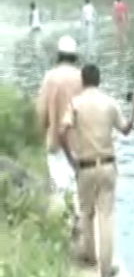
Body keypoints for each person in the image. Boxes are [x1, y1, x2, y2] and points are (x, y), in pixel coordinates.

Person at [59, 64, 134, 277]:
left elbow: (62, 131)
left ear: (83, 81)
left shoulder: (75, 104)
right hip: (107, 165)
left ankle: (90, 258)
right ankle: (106, 271)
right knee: (106, 217)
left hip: (85, 167)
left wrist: (71, 159)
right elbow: (125, 130)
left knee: (86, 214)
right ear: (99, 80)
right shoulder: (110, 103)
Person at [36, 35, 83, 206]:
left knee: (60, 192)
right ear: (75, 56)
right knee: (79, 192)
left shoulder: (50, 78)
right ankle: (81, 227)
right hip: (79, 143)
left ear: (58, 55)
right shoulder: (82, 77)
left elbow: (41, 114)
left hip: (56, 143)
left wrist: (40, 136)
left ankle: (64, 225)